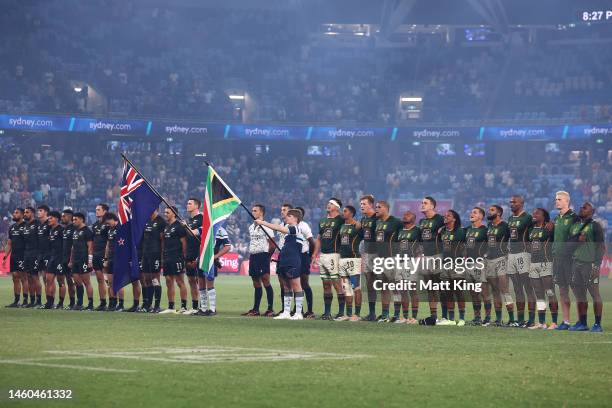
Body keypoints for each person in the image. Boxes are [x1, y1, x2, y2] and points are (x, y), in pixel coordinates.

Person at [256, 209, 305, 320]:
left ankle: (298, 313)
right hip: (284, 260)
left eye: (288, 216)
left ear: (294, 218)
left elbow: (278, 228)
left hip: (293, 261)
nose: (285, 218)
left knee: (296, 285)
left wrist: (262, 222)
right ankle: (286, 312)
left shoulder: (296, 229)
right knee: (286, 286)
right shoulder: (289, 234)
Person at [567, 202, 605, 332]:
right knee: (579, 295)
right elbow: (568, 245)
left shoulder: (595, 226)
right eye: (581, 207)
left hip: (589, 264)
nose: (581, 209)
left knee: (595, 294)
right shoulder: (574, 226)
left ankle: (597, 324)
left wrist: (596, 265)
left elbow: (601, 247)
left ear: (592, 211)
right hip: (575, 264)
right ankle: (582, 323)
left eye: (585, 208)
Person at [549, 191, 579, 330]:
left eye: (559, 199)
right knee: (562, 290)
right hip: (558, 259)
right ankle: (566, 321)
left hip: (570, 260)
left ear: (567, 201)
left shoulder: (574, 218)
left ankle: (581, 321)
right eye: (556, 199)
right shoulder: (556, 219)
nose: (557, 201)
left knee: (577, 289)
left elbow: (577, 239)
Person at [311, 198, 345, 320]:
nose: (328, 205)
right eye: (328, 203)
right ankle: (327, 312)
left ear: (337, 207)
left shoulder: (341, 220)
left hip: (335, 254)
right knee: (326, 284)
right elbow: (319, 239)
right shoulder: (322, 221)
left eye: (331, 204)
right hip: (323, 256)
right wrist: (315, 254)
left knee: (337, 284)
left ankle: (341, 313)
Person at [507, 195, 536, 328]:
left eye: (514, 202)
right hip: (511, 254)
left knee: (528, 288)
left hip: (523, 254)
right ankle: (520, 319)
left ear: (521, 203)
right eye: (511, 201)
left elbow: (537, 229)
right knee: (517, 289)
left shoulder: (528, 217)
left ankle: (531, 319)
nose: (511, 203)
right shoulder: (510, 218)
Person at [484, 205, 516, 327]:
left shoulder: (505, 226)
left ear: (499, 213)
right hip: (490, 261)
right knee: (495, 291)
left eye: (492, 210)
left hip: (502, 259)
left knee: (504, 290)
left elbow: (514, 239)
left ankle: (512, 320)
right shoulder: (489, 226)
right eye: (489, 209)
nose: (489, 211)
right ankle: (498, 320)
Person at [527, 208, 557, 330]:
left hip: (546, 263)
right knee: (539, 294)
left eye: (537, 213)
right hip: (533, 264)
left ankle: (554, 322)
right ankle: (542, 322)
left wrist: (554, 224)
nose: (534, 214)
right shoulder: (531, 229)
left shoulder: (549, 228)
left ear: (544, 216)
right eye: (533, 213)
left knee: (549, 292)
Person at [243, 204, 275, 317]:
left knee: (266, 280)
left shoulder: (266, 226)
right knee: (255, 282)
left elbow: (272, 243)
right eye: (252, 210)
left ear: (261, 213)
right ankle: (256, 309)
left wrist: (267, 256)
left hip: (263, 256)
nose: (253, 212)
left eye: (255, 211)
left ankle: (270, 309)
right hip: (253, 256)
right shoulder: (251, 227)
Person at [373, 200, 403, 322]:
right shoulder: (378, 222)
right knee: (384, 287)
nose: (376, 209)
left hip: (392, 258)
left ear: (386, 208)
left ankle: (396, 315)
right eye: (376, 207)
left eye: (379, 207)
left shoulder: (396, 222)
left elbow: (405, 234)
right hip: (380, 259)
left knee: (395, 287)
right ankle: (385, 314)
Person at [418, 196, 445, 326]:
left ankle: (445, 316)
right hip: (425, 257)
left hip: (437, 256)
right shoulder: (422, 221)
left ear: (432, 206)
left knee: (440, 287)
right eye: (422, 203)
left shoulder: (440, 219)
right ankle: (433, 316)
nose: (422, 205)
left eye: (425, 203)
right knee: (429, 288)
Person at [438, 209, 466, 326]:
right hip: (445, 265)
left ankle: (462, 318)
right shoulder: (443, 232)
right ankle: (451, 319)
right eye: (445, 215)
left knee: (459, 291)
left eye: (448, 216)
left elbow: (467, 246)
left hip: (457, 265)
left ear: (454, 219)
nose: (445, 217)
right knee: (447, 292)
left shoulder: (461, 231)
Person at [464, 207, 490, 325]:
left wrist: (486, 256)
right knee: (473, 292)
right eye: (471, 211)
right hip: (468, 264)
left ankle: (488, 317)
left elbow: (492, 245)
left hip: (480, 263)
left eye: (475, 212)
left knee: (483, 291)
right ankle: (477, 317)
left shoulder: (485, 230)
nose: (471, 214)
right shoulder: (468, 229)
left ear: (481, 216)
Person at [160, 206, 188, 314]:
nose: (165, 214)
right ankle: (171, 307)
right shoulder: (166, 227)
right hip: (167, 257)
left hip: (177, 257)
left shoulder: (179, 226)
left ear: (174, 213)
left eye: (167, 212)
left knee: (180, 281)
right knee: (168, 281)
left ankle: (184, 307)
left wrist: (183, 256)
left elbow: (184, 243)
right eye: (165, 212)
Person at [337, 205, 362, 321]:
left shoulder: (357, 226)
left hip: (354, 259)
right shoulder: (342, 226)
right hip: (342, 259)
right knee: (346, 287)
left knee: (356, 287)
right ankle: (348, 314)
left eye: (345, 211)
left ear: (351, 213)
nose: (343, 213)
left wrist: (360, 225)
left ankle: (356, 314)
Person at [396, 211, 421, 324]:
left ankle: (414, 317)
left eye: (408, 214)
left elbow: (423, 245)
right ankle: (405, 317)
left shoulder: (417, 231)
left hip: (411, 262)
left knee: (412, 290)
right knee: (402, 290)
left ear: (414, 218)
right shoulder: (400, 231)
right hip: (400, 262)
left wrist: (419, 259)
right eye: (404, 214)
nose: (404, 215)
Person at [140, 209, 165, 313]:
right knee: (147, 279)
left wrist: (162, 256)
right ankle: (148, 305)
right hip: (146, 254)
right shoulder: (146, 220)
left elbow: (163, 240)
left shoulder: (161, 221)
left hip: (155, 254)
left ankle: (157, 305)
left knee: (155, 279)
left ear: (156, 209)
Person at [69, 212, 94, 311]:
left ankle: (90, 304)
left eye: (75, 219)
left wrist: (90, 261)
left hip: (84, 259)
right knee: (77, 281)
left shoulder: (87, 231)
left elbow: (90, 247)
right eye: (73, 220)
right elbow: (72, 248)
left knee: (86, 282)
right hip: (75, 260)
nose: (73, 221)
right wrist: (71, 260)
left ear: (81, 220)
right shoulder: (75, 231)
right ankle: (79, 303)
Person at [103, 212, 128, 311]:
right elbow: (108, 245)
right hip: (111, 259)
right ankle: (112, 303)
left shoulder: (121, 229)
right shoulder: (110, 230)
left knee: (119, 283)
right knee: (110, 282)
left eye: (108, 222)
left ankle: (121, 304)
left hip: (120, 259)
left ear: (113, 219)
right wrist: (105, 258)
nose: (107, 225)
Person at [359, 195, 379, 321]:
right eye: (361, 204)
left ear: (371, 205)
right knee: (370, 284)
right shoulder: (363, 220)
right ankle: (372, 313)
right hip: (367, 255)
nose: (361, 206)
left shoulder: (378, 219)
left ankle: (389, 314)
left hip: (378, 255)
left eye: (364, 204)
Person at [183, 198, 203, 315]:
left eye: (190, 203)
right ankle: (195, 306)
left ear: (197, 206)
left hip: (198, 253)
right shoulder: (190, 220)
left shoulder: (202, 218)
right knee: (191, 280)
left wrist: (186, 227)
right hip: (189, 253)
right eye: (187, 203)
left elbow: (195, 233)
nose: (187, 205)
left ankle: (202, 306)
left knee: (199, 281)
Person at [3, 208, 26, 308]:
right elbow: (9, 244)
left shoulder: (26, 226)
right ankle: (16, 301)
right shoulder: (12, 227)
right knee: (15, 277)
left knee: (24, 278)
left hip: (24, 255)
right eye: (14, 212)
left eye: (16, 213)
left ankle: (26, 301)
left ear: (22, 215)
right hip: (14, 256)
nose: (14, 214)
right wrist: (5, 257)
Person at [296, 207, 316, 319]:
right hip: (293, 257)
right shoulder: (289, 225)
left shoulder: (304, 226)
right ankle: (299, 309)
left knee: (304, 284)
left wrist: (309, 256)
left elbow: (312, 242)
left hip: (303, 257)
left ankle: (310, 310)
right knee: (295, 284)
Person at [42, 211, 63, 309]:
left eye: (51, 218)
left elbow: (65, 245)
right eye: (48, 218)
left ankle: (61, 303)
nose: (49, 220)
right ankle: (50, 302)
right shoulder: (50, 230)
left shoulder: (61, 229)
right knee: (48, 279)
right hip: (52, 257)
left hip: (60, 258)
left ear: (56, 219)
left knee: (60, 281)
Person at [91, 203, 110, 311]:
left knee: (108, 279)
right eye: (96, 209)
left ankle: (113, 301)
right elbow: (93, 241)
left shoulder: (108, 224)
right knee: (99, 279)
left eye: (98, 209)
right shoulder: (94, 225)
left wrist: (107, 256)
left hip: (105, 254)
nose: (96, 211)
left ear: (105, 211)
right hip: (96, 255)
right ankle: (103, 302)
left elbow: (109, 240)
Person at [22, 207, 40, 308]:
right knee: (28, 277)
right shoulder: (25, 225)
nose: (25, 214)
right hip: (27, 254)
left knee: (35, 277)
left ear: (32, 213)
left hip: (35, 253)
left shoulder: (37, 224)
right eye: (24, 212)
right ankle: (32, 300)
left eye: (27, 212)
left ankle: (39, 301)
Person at [60, 209, 76, 310]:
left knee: (73, 281)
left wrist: (71, 260)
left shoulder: (74, 228)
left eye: (64, 216)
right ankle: (71, 303)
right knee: (68, 281)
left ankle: (76, 303)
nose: (62, 218)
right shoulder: (64, 229)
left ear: (70, 216)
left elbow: (74, 246)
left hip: (72, 259)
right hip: (64, 258)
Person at [35, 205, 51, 308]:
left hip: (48, 254)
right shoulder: (39, 225)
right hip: (39, 254)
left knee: (47, 278)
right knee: (39, 277)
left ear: (46, 212)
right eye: (38, 211)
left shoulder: (49, 224)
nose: (38, 212)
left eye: (40, 211)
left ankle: (49, 301)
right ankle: (40, 301)